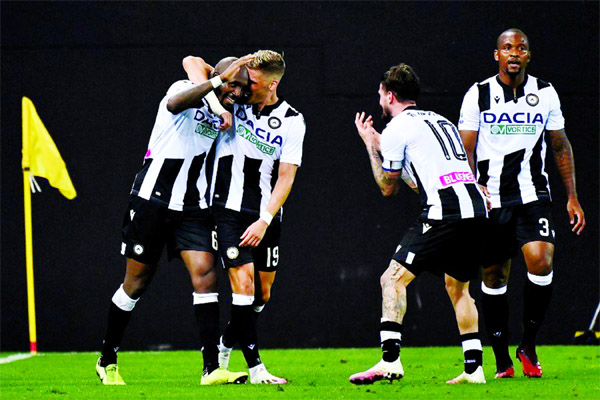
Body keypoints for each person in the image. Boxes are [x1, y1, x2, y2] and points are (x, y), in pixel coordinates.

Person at [96, 55, 254, 386]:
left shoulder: (229, 109)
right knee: (135, 284)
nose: (236, 92)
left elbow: (195, 62)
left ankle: (211, 369)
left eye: (241, 87)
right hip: (152, 200)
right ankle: (107, 359)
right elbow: (177, 96)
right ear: (216, 76)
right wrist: (213, 83)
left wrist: (228, 98)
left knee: (206, 277)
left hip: (193, 207)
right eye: (232, 84)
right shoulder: (187, 88)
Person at [349, 63, 490, 385]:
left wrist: (371, 143)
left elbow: (388, 186)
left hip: (446, 211)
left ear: (391, 95)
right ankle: (474, 369)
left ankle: (390, 361)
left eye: (381, 95)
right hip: (476, 209)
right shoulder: (439, 120)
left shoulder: (398, 128)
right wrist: (383, 142)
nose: (380, 101)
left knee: (392, 279)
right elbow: (420, 180)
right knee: (458, 287)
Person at [458, 28, 586, 379]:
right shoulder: (478, 94)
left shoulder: (545, 93)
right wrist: (472, 192)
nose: (514, 53)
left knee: (541, 259)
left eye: (522, 48)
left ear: (529, 55)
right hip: (491, 199)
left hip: (533, 196)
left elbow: (560, 146)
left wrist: (572, 196)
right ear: (496, 55)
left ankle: (528, 344)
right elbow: (466, 149)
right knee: (494, 274)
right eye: (507, 47)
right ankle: (502, 360)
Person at [183, 50, 306, 384]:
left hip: (265, 215)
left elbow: (286, 177)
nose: (242, 86)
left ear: (272, 83)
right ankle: (256, 369)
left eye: (251, 81)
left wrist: (265, 219)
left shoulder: (293, 120)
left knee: (262, 296)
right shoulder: (233, 99)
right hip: (227, 210)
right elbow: (192, 61)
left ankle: (225, 343)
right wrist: (216, 102)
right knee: (245, 286)